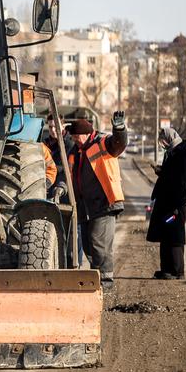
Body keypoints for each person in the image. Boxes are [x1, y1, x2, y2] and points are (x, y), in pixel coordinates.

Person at [67, 112, 128, 288]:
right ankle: (97, 279)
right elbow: (69, 173)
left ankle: (106, 281)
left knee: (98, 243)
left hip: (104, 203)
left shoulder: (103, 143)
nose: (75, 140)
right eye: (73, 137)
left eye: (77, 137)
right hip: (86, 207)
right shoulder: (76, 152)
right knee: (88, 245)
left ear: (87, 134)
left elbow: (119, 143)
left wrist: (120, 129)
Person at [146, 128, 186, 280]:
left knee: (175, 235)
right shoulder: (172, 152)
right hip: (167, 202)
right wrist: (161, 170)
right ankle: (166, 269)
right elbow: (171, 174)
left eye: (163, 140)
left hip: (176, 204)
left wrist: (177, 207)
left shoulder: (183, 153)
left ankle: (177, 271)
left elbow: (181, 180)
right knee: (165, 234)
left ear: (170, 138)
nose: (162, 144)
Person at [43, 114, 82, 268]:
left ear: (63, 126)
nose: (53, 130)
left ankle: (74, 266)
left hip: (68, 191)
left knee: (72, 233)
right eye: (51, 126)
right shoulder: (44, 144)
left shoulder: (71, 144)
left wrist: (60, 183)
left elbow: (69, 170)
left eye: (56, 126)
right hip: (49, 192)